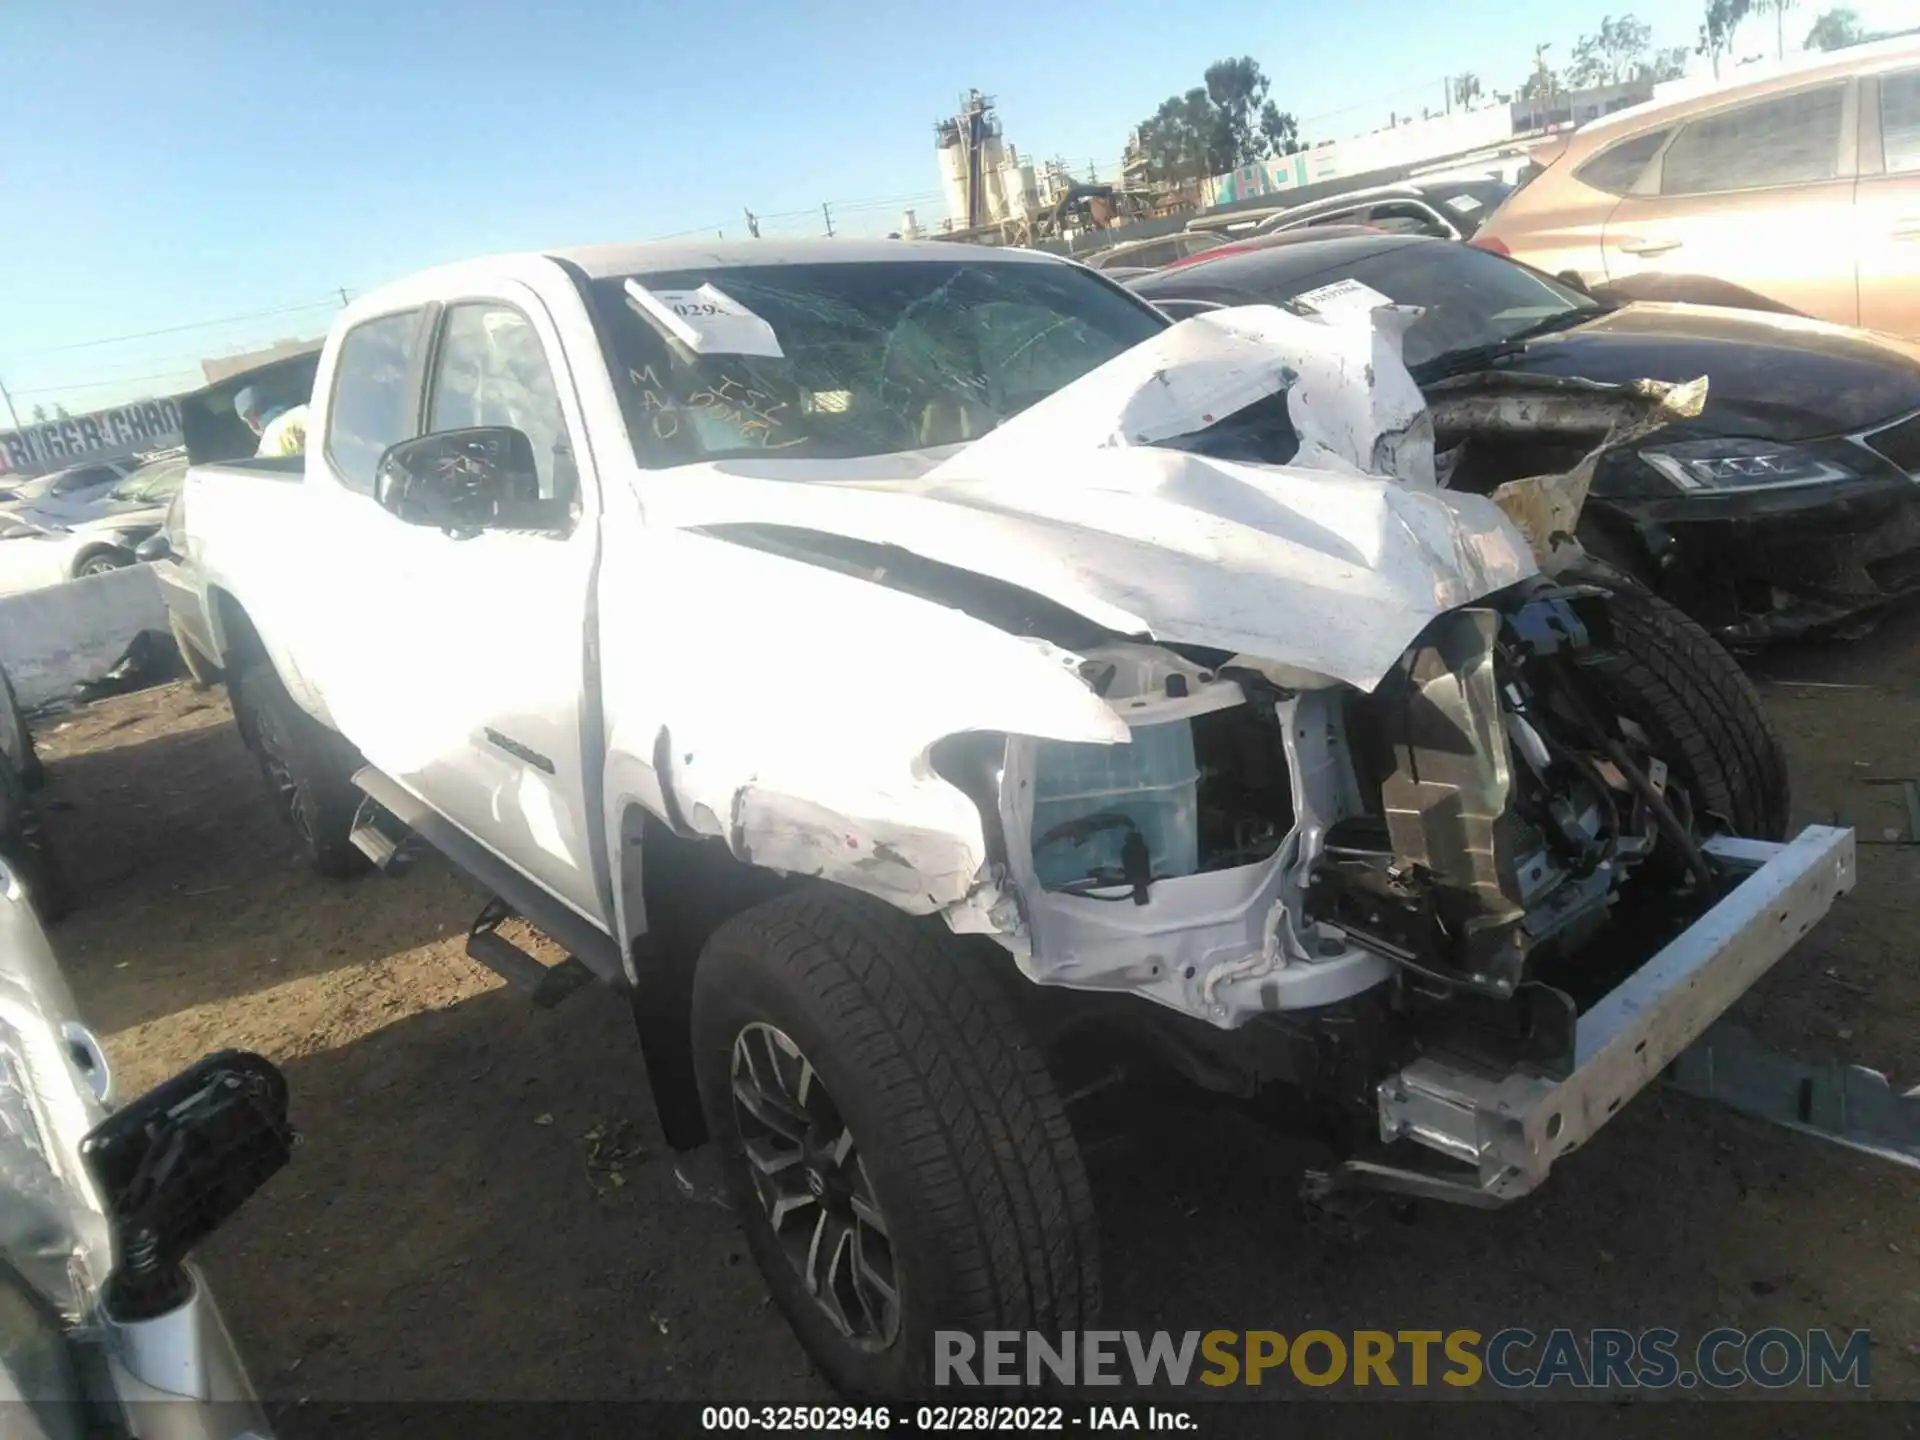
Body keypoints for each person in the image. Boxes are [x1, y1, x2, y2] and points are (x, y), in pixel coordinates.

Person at [234, 385, 309, 458]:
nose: (253, 426)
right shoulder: (308, 410)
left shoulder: (269, 444)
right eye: (248, 422)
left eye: (247, 421)